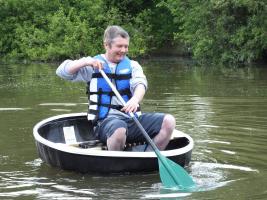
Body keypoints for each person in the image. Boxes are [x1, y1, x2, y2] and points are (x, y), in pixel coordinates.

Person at [56, 25, 175, 151]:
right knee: (119, 130)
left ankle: (149, 157)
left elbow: (140, 84)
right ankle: (118, 162)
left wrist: (135, 100)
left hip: (132, 120)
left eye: (126, 46)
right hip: (105, 123)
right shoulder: (93, 66)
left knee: (169, 121)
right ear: (106, 45)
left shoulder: (133, 65)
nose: (123, 50)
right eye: (120, 46)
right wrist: (86, 61)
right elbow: (62, 71)